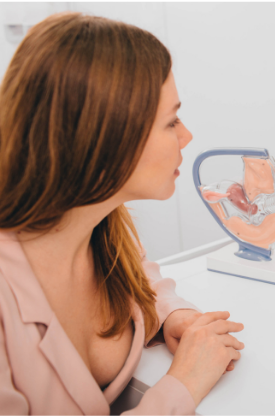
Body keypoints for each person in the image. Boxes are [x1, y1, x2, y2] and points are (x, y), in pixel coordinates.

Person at [0, 13, 245, 415]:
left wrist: (171, 316)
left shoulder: (104, 226)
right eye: (171, 122)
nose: (187, 136)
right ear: (106, 138)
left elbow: (141, 281)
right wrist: (181, 387)